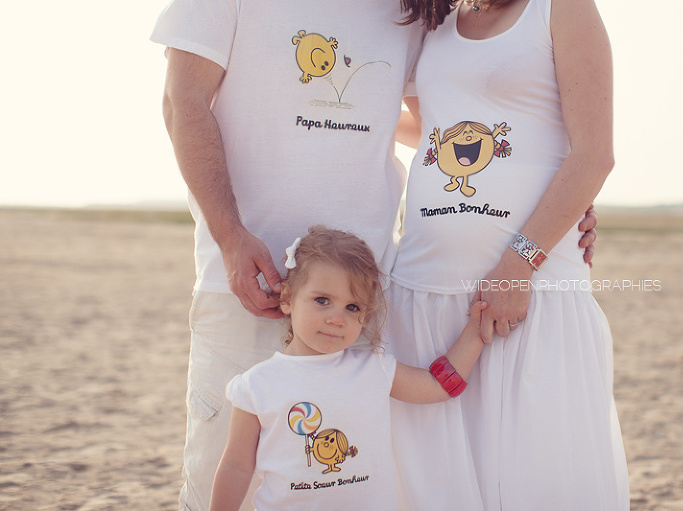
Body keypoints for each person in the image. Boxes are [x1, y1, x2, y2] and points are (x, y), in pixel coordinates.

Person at [150, 1, 597, 509]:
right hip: (249, 281)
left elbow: (440, 120)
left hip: (364, 301)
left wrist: (555, 199)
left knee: (341, 488)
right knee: (224, 476)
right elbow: (182, 102)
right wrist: (230, 236)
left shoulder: (410, 7)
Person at [389, 0, 629, 509]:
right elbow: (433, 129)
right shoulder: (437, 21)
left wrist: (519, 264)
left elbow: (594, 154)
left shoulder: (560, 9)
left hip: (527, 296)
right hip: (424, 295)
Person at [209, 226, 488, 511]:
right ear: (287, 298)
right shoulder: (257, 385)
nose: (337, 319)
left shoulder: (373, 370)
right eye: (322, 301)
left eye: (352, 307)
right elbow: (236, 466)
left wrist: (477, 330)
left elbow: (438, 386)